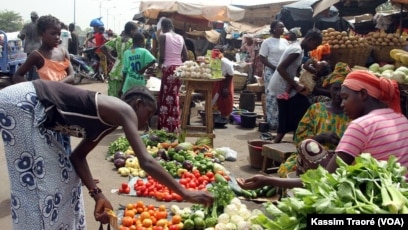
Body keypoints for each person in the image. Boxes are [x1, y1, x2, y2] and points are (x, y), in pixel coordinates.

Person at [0, 80, 214, 229]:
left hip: (35, 109)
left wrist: (98, 194)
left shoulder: (108, 123)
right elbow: (146, 161)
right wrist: (184, 192)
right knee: (33, 186)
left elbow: (78, 157)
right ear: (138, 104)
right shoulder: (124, 110)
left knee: (67, 180)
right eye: (148, 115)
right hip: (22, 103)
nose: (146, 123)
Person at [238, 70, 408, 190]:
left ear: (363, 94)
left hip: (371, 196)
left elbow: (326, 180)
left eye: (345, 98)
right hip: (397, 191)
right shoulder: (400, 118)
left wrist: (268, 180)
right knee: (307, 146)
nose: (342, 104)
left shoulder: (361, 126)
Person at [13, 14, 75, 155]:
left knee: (66, 138)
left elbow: (72, 76)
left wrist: (55, 86)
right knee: (52, 141)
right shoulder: (37, 55)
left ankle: (69, 173)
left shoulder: (63, 52)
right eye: (53, 34)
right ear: (41, 34)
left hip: (65, 102)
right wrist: (35, 91)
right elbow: (17, 75)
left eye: (59, 34)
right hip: (49, 104)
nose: (57, 37)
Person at [277, 68, 350, 177]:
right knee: (287, 170)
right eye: (335, 89)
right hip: (311, 155)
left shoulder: (352, 113)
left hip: (339, 162)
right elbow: (300, 141)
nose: (338, 94)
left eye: (343, 91)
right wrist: (321, 137)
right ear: (329, 89)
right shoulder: (316, 109)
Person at [269, 29, 323, 143]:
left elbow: (296, 69)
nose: (314, 48)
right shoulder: (297, 50)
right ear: (309, 39)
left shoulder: (300, 49)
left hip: (287, 86)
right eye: (315, 44)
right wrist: (296, 85)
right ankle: (283, 139)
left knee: (291, 111)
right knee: (301, 108)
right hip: (281, 85)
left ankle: (285, 137)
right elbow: (281, 68)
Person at [157, 18, 188, 133]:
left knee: (166, 99)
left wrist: (159, 65)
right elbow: (186, 56)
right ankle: (175, 125)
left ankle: (166, 127)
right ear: (172, 26)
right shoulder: (180, 37)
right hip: (179, 69)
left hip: (169, 68)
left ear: (164, 27)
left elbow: (161, 56)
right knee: (175, 97)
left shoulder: (163, 36)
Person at [259, 20, 289, 130]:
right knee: (271, 97)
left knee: (281, 96)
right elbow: (262, 58)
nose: (282, 28)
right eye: (280, 26)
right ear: (274, 29)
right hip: (271, 72)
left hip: (282, 72)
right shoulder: (267, 42)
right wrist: (274, 68)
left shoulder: (285, 42)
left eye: (283, 26)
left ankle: (280, 122)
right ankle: (272, 123)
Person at [101, 21, 138, 97]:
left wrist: (111, 58)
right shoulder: (132, 42)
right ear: (132, 30)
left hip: (115, 71)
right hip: (127, 72)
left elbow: (103, 47)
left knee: (113, 98)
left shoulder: (117, 40)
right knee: (125, 97)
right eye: (135, 31)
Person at [121, 32, 156, 97]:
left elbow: (124, 71)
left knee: (128, 97)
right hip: (139, 80)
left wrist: (122, 87)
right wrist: (144, 68)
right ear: (140, 41)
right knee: (139, 97)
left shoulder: (126, 53)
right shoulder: (144, 51)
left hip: (129, 80)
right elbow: (153, 60)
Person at [212, 46, 235, 119]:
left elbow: (231, 74)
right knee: (215, 98)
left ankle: (224, 116)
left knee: (225, 98)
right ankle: (214, 114)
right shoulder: (213, 60)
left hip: (225, 81)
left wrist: (225, 87)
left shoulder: (225, 62)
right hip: (217, 81)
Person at [18, 11, 42, 80]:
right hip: (38, 48)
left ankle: (30, 79)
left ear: (31, 17)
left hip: (29, 48)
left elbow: (22, 36)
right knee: (37, 65)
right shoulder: (40, 26)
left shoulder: (27, 25)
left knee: (30, 65)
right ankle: (35, 79)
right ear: (37, 17)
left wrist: (19, 36)